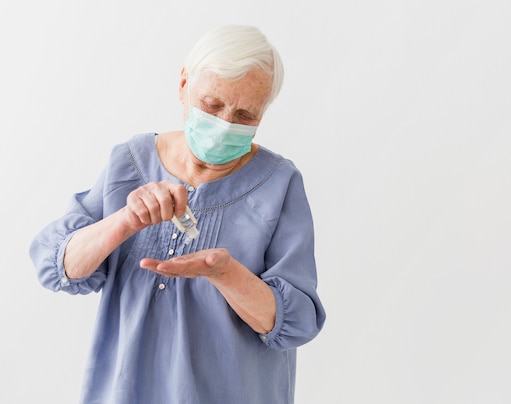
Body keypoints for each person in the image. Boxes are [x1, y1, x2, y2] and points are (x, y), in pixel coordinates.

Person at [29, 25, 325, 404]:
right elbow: (60, 267)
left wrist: (225, 273)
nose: (224, 126)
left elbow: (295, 322)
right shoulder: (130, 161)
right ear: (184, 84)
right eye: (213, 105)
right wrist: (125, 221)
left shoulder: (278, 183)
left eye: (245, 115)